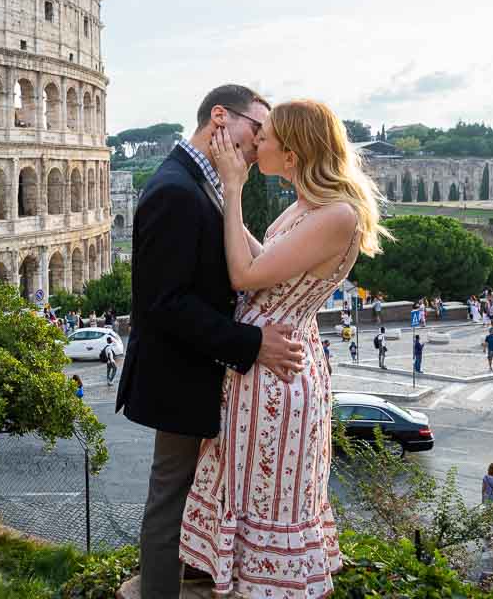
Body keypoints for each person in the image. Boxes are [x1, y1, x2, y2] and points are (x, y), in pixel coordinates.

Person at [178, 97, 389, 598]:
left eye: (267, 137)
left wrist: (232, 188)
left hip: (279, 378)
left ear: (292, 155)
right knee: (244, 486)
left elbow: (244, 276)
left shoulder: (337, 215)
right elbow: (268, 261)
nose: (257, 143)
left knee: (270, 496)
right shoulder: (307, 206)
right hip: (262, 366)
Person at [115, 85, 303, 599]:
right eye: (255, 130)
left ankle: (197, 580)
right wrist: (251, 343)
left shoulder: (204, 179)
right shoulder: (175, 188)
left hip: (200, 368)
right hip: (181, 373)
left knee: (195, 491)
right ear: (220, 116)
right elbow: (165, 302)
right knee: (170, 496)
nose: (257, 143)